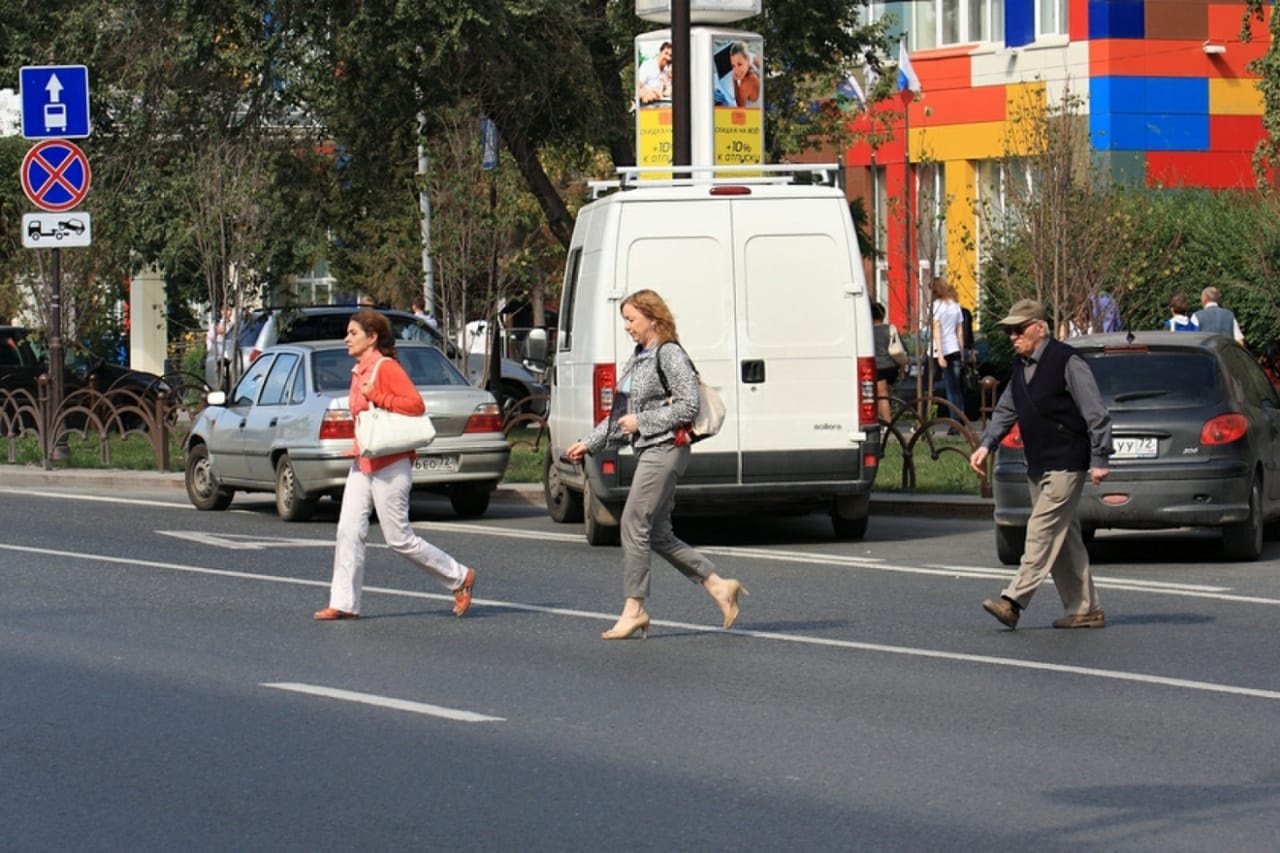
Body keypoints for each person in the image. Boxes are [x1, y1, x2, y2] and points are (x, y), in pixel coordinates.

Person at [564, 289, 748, 640]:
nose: (627, 327)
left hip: (666, 449)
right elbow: (620, 418)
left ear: (653, 318)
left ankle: (635, 609)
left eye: (631, 319)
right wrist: (587, 443)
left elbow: (687, 407)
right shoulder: (637, 359)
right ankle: (718, 586)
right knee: (659, 534)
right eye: (625, 321)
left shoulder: (669, 354)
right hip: (649, 449)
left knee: (633, 522)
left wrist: (642, 422)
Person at [314, 309, 477, 621]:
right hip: (363, 461)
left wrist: (377, 395)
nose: (346, 339)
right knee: (348, 530)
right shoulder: (358, 370)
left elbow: (415, 405)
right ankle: (344, 603)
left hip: (391, 462)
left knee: (398, 538)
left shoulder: (385, 368)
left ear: (372, 337)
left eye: (353, 333)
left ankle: (459, 577)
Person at [968, 299, 1112, 630]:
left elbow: (1095, 411)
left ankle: (1013, 602)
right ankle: (1086, 608)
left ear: (1039, 327)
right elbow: (1006, 409)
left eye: (1019, 330)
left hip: (1067, 461)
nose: (1012, 337)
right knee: (1064, 538)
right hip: (1039, 462)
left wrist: (1100, 457)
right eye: (1009, 331)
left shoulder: (1067, 361)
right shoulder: (1021, 366)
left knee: (1041, 530)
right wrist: (986, 445)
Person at [930, 279, 965, 418]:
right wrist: (961, 353)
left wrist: (939, 354)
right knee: (957, 388)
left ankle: (954, 421)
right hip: (955, 348)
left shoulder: (936, 306)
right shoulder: (955, 306)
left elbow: (936, 330)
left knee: (949, 388)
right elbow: (960, 331)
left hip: (943, 349)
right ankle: (961, 418)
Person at [870, 301, 905, 425]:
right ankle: (884, 419)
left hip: (878, 367)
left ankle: (887, 423)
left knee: (881, 396)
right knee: (885, 395)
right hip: (892, 367)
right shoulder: (890, 329)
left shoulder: (868, 332)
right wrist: (902, 367)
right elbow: (900, 348)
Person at [728, 41, 760, 107]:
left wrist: (734, 81)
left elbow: (740, 106)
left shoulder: (746, 83)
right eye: (733, 66)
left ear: (748, 60)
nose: (736, 71)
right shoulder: (754, 60)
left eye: (739, 64)